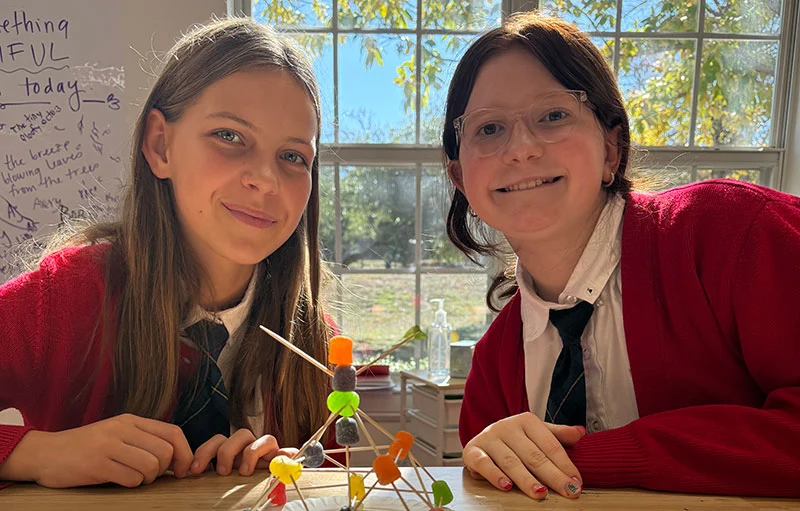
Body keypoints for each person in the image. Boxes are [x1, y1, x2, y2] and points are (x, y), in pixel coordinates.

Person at [442, 11, 800, 501]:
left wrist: (596, 457)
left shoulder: (734, 234)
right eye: (488, 129)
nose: (520, 149)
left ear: (612, 147)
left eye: (553, 115)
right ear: (461, 178)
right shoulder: (493, 369)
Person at [0, 18, 334, 488]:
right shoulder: (65, 298)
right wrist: (35, 453)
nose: (266, 178)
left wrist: (289, 472)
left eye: (294, 156)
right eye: (229, 136)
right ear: (160, 145)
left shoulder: (314, 342)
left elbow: (338, 480)